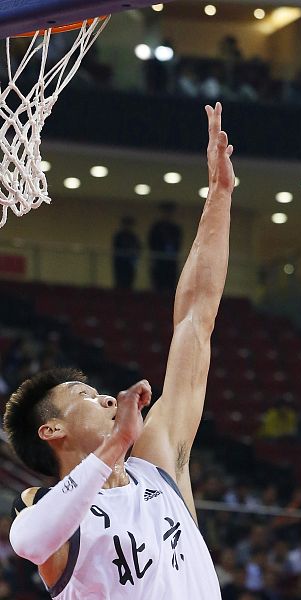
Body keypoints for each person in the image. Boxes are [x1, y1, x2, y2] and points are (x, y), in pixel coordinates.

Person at [2, 103, 236, 599]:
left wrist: (219, 197)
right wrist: (111, 448)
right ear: (52, 430)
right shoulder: (45, 510)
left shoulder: (158, 463)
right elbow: (26, 541)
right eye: (85, 394)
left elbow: (196, 317)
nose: (107, 397)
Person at [148, 201, 183, 293]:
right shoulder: (156, 228)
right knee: (158, 285)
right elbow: (152, 244)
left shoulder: (175, 229)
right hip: (159, 261)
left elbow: (178, 244)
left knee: (171, 285)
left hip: (171, 262)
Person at [112, 216, 142, 290]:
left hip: (130, 264)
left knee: (129, 282)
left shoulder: (133, 237)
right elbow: (116, 249)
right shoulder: (119, 236)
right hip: (120, 264)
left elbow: (138, 248)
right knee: (120, 282)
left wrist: (134, 255)